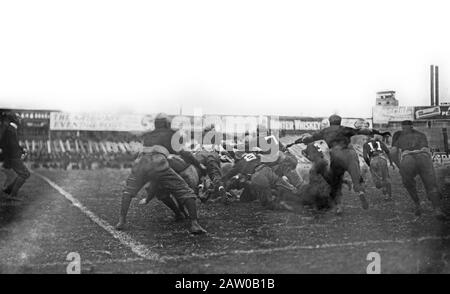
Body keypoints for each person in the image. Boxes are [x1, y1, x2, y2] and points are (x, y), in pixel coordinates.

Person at [115, 113, 207, 234]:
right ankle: (194, 224)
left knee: (128, 191)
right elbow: (184, 152)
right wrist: (198, 164)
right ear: (167, 123)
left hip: (140, 163)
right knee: (186, 192)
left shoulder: (148, 135)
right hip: (157, 163)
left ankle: (121, 221)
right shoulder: (171, 133)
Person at [287, 114, 390, 214]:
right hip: (350, 154)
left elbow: (308, 139)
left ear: (330, 122)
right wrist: (380, 133)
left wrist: (295, 142)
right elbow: (363, 131)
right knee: (356, 176)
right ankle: (360, 192)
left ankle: (338, 206)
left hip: (336, 155)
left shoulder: (325, 131)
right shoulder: (345, 129)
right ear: (339, 121)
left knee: (336, 182)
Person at [392, 120, 447, 218]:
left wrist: (400, 167)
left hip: (408, 158)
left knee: (409, 184)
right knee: (431, 185)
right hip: (423, 157)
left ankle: (418, 205)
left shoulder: (398, 135)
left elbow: (393, 152)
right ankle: (437, 210)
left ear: (402, 127)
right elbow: (426, 150)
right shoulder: (421, 134)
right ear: (412, 126)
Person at [0, 112, 30, 201]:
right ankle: (12, 195)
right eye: (19, 118)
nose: (20, 119)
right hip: (14, 157)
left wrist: (21, 149)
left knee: (23, 174)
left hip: (12, 156)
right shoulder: (11, 130)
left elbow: (13, 144)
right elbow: (12, 145)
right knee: (25, 174)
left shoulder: (10, 129)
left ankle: (8, 190)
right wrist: (21, 151)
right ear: (15, 119)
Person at [362, 134, 395, 200]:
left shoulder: (365, 144)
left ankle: (383, 186)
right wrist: (391, 163)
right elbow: (388, 152)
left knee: (377, 182)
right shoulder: (380, 142)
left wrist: (369, 164)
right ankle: (389, 196)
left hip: (373, 161)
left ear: (367, 138)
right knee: (386, 177)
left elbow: (365, 157)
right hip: (382, 159)